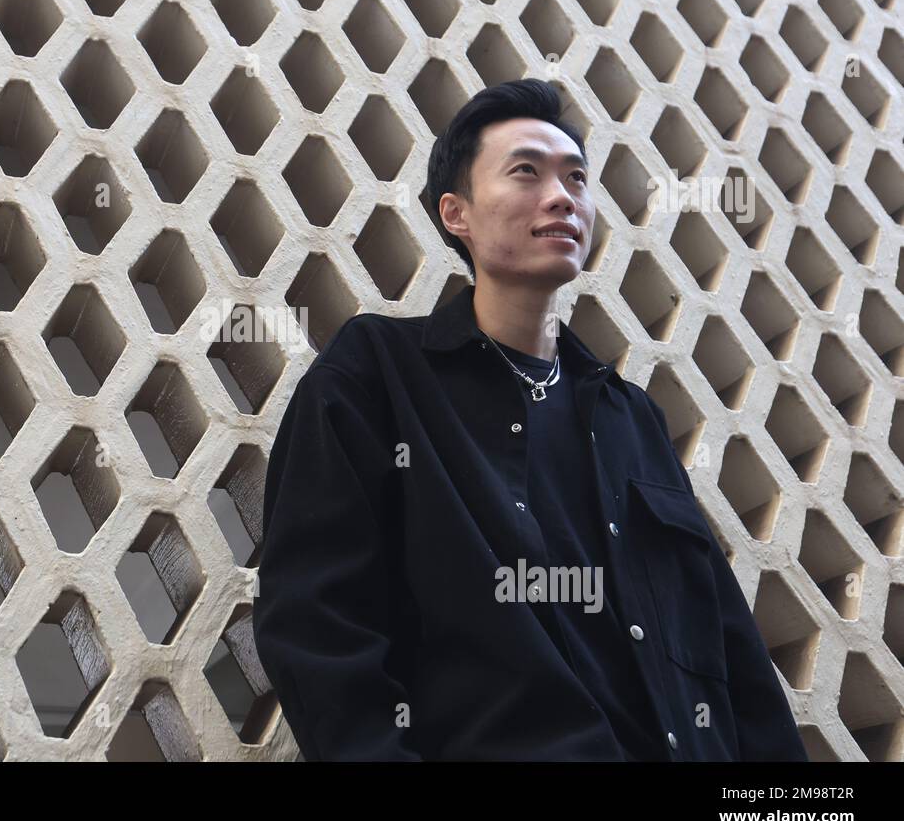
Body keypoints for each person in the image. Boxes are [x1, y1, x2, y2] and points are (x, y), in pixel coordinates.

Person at [250, 78, 808, 761]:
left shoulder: (632, 419)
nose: (562, 195)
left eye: (577, 178)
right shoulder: (378, 375)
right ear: (456, 214)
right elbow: (316, 623)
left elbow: (731, 651)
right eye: (527, 172)